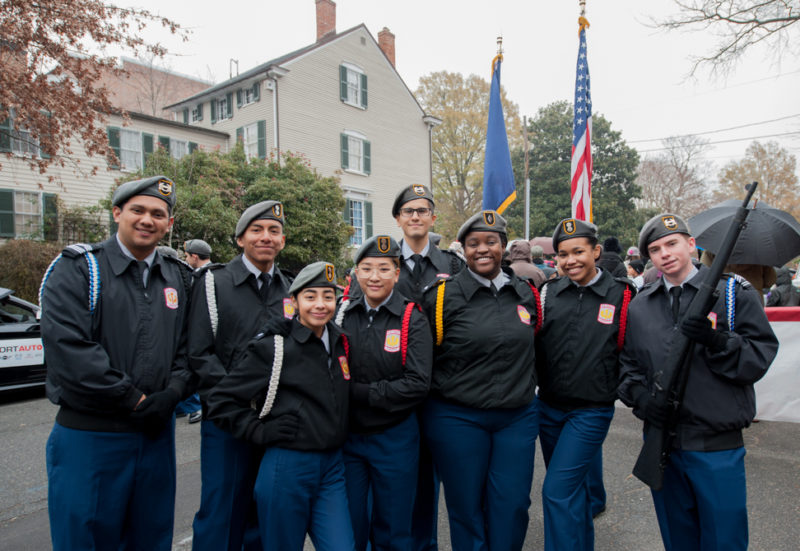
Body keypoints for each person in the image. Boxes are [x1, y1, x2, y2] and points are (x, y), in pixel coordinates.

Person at [40, 175, 193, 550]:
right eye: (137, 210)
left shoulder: (179, 276)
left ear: (169, 224)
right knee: (85, 538)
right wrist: (132, 398)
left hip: (154, 436)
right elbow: (70, 349)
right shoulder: (78, 269)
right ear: (117, 213)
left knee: (151, 538)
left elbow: (190, 349)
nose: (147, 220)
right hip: (90, 437)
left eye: (158, 214)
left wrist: (173, 392)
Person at [618, 213, 779, 551]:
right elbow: (628, 365)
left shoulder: (732, 294)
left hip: (715, 442)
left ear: (691, 244)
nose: (665, 253)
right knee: (679, 539)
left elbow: (760, 354)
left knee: (724, 540)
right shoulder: (641, 305)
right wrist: (640, 399)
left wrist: (719, 342)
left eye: (672, 243)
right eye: (656, 248)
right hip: (664, 442)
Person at [207, 262, 355, 551]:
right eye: (310, 297)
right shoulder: (274, 347)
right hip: (288, 466)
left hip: (332, 467)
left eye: (327, 296)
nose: (320, 305)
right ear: (294, 301)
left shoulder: (340, 341)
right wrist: (259, 431)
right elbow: (221, 401)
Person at [422, 210, 540, 551]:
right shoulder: (441, 296)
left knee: (513, 504)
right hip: (457, 417)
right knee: (465, 507)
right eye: (474, 244)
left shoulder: (526, 292)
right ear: (464, 249)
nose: (482, 249)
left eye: (491, 242)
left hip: (515, 418)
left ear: (503, 246)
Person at [188, 201, 293, 551]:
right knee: (223, 513)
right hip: (227, 422)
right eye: (257, 230)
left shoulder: (291, 290)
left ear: (282, 239)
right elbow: (200, 355)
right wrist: (240, 407)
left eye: (274, 231)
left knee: (265, 513)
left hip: (275, 422)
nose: (266, 237)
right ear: (239, 239)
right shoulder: (212, 283)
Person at [535, 218, 636, 551]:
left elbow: (634, 350)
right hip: (548, 409)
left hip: (591, 412)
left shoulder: (622, 294)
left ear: (595, 251)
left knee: (556, 491)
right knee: (573, 493)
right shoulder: (549, 292)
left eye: (578, 251)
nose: (570, 260)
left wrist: (617, 389)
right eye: (563, 254)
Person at [339, 235, 433, 551]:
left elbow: (417, 383)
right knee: (350, 525)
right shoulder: (342, 315)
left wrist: (363, 393)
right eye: (366, 268)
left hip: (395, 438)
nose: (375, 277)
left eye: (384, 268)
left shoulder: (411, 318)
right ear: (355, 273)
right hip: (349, 438)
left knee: (393, 529)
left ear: (397, 273)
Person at [389, 184, 465, 551]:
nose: (416, 216)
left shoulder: (453, 265)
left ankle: (426, 544)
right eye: (408, 211)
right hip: (394, 388)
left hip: (443, 389)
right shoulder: (381, 262)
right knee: (397, 479)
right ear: (398, 219)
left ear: (433, 218)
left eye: (422, 210)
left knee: (440, 478)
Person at [174, 239, 214, 424]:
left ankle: (194, 406)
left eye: (187, 256)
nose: (187, 259)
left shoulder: (203, 277)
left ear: (194, 256)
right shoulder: (214, 274)